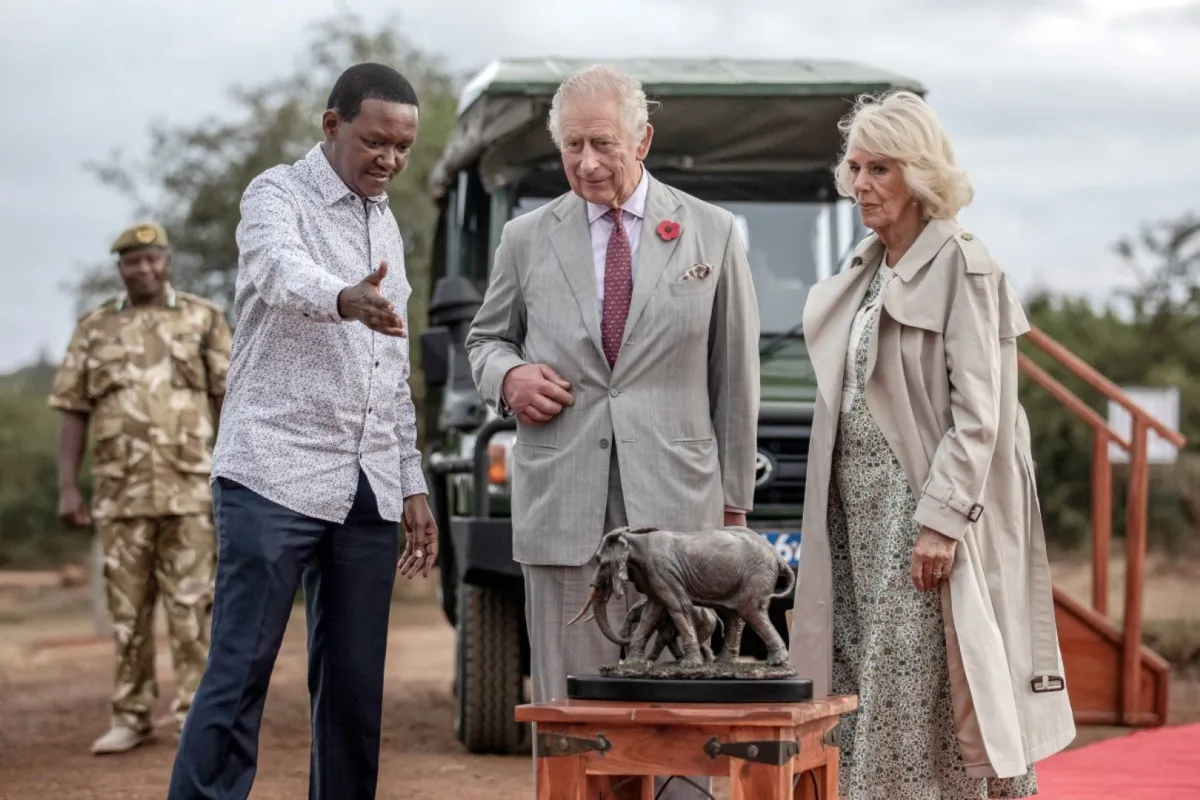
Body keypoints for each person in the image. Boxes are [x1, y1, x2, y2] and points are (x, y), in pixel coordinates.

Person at [464, 64, 760, 800]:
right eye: (572, 146)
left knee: (681, 705)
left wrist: (732, 509)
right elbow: (484, 340)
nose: (587, 162)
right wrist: (509, 377)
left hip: (682, 520)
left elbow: (735, 380)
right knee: (575, 715)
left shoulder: (713, 234)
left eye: (603, 143)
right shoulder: (526, 238)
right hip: (564, 509)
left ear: (643, 139)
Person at [787, 89, 1076, 798]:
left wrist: (941, 521)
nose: (860, 184)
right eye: (854, 167)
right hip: (857, 517)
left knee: (929, 683)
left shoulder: (964, 266)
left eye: (879, 168)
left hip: (921, 518)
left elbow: (983, 413)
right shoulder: (866, 268)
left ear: (918, 176)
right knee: (864, 674)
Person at [166, 63, 438, 800]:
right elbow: (279, 271)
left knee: (354, 689)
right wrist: (344, 297)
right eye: (376, 141)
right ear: (332, 125)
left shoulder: (386, 225)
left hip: (367, 487)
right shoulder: (275, 194)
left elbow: (391, 365)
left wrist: (410, 480)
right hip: (273, 474)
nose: (389, 159)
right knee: (239, 672)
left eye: (404, 147)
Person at [48, 220, 231, 755]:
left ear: (167, 262)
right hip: (121, 494)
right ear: (121, 268)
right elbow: (72, 410)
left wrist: (237, 475)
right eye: (133, 261)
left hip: (193, 489)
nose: (144, 268)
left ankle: (195, 717)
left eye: (153, 259)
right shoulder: (94, 328)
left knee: (193, 607)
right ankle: (130, 715)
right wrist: (67, 487)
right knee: (128, 614)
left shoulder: (203, 318)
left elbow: (229, 400)